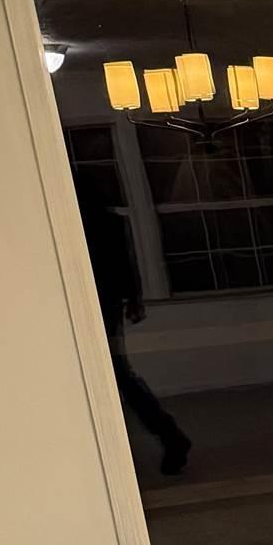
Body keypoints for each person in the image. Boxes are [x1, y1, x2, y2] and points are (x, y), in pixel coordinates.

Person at [72, 166, 191, 476]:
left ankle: (168, 436)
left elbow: (119, 262)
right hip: (104, 302)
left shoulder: (74, 225)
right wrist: (133, 298)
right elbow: (124, 262)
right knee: (117, 373)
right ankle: (169, 435)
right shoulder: (106, 221)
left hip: (88, 304)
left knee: (112, 374)